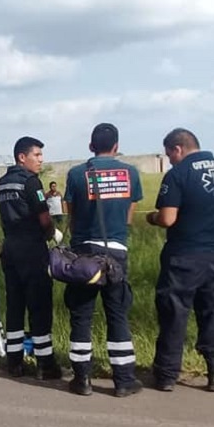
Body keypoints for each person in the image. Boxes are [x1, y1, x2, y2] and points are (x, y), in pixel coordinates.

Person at [146, 128, 214, 393]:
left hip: (185, 256)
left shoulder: (178, 174)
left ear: (178, 148)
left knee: (174, 314)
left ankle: (166, 375)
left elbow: (167, 219)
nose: (170, 160)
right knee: (212, 313)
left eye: (169, 154)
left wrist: (151, 217)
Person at [63, 122, 143, 398]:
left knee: (81, 316)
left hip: (84, 254)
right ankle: (123, 380)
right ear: (117, 147)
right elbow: (129, 216)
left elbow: (71, 216)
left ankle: (82, 379)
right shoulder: (131, 173)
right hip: (116, 252)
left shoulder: (75, 175)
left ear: (90, 146)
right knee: (117, 315)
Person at [0, 136, 61, 378]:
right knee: (39, 306)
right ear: (22, 157)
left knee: (15, 305)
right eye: (37, 156)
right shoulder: (31, 182)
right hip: (32, 248)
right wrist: (51, 233)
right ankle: (46, 364)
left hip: (10, 248)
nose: (40, 161)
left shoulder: (2, 183)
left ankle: (14, 361)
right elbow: (44, 216)